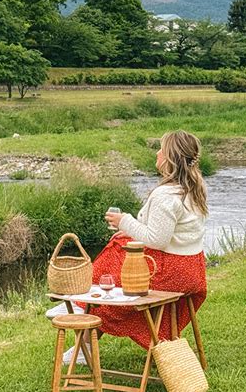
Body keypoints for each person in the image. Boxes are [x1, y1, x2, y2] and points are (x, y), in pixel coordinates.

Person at [60, 129, 208, 364]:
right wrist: (128, 229)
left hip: (171, 273)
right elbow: (165, 235)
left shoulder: (165, 195)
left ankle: (81, 305)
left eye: (161, 149)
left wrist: (125, 222)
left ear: (169, 156)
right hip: (193, 270)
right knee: (123, 242)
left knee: (119, 249)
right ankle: (84, 315)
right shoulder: (194, 187)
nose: (157, 153)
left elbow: (157, 240)